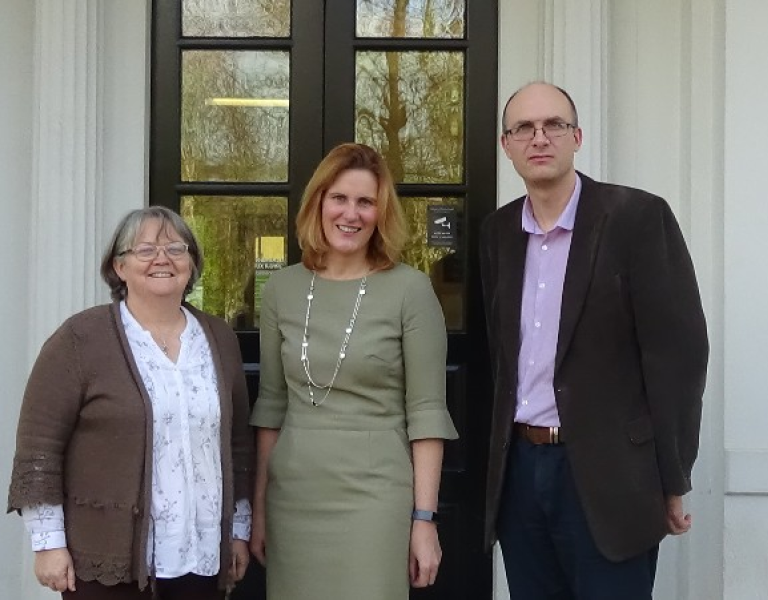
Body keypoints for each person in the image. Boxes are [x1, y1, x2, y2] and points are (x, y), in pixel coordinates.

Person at [479, 82, 709, 599]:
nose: (539, 138)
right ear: (506, 144)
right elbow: (498, 359)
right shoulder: (496, 234)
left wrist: (673, 476)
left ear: (576, 136)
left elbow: (678, 357)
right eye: (523, 128)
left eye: (553, 125)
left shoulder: (637, 218)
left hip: (610, 479)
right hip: (520, 472)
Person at [7, 207, 253, 599]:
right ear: (119, 267)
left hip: (201, 553)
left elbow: (237, 443)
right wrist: (48, 543)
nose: (162, 258)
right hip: (107, 559)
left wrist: (238, 531)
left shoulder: (218, 339)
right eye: (145, 250)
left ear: (191, 263)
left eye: (176, 248)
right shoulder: (81, 339)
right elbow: (40, 446)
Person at [249, 142, 458, 599]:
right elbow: (270, 407)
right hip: (294, 497)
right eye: (339, 198)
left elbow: (426, 413)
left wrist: (424, 520)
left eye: (366, 202)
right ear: (318, 203)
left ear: (381, 213)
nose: (351, 213)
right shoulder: (281, 289)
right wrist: (259, 510)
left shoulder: (410, 290)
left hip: (375, 498)